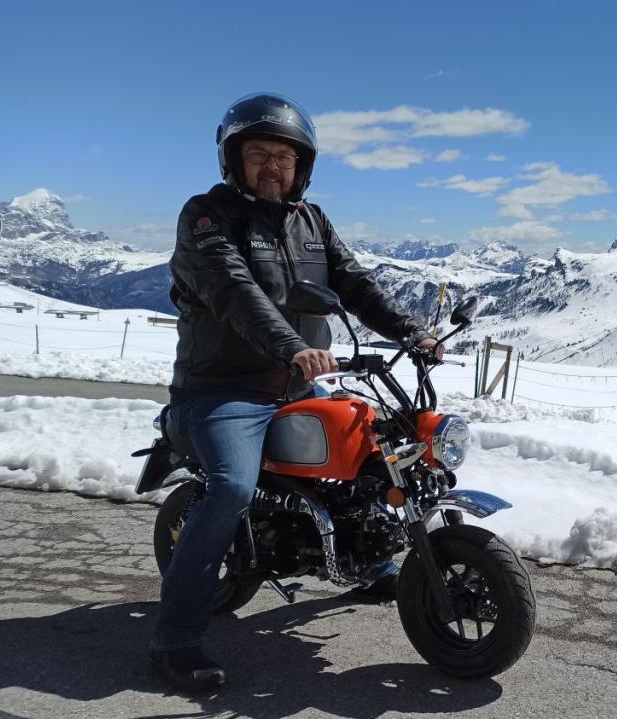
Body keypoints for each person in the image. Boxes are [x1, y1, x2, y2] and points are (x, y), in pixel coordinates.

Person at [151, 92, 443, 691]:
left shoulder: (312, 221)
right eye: (258, 153)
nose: (271, 166)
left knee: (375, 447)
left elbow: (353, 282)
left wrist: (411, 331)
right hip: (221, 390)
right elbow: (234, 290)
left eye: (283, 156)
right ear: (234, 159)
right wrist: (290, 347)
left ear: (301, 165)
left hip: (301, 384)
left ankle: (368, 560)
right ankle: (175, 639)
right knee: (231, 486)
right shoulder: (206, 216)